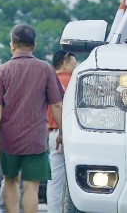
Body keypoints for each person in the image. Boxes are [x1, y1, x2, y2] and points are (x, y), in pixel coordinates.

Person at [0, 24, 64, 213]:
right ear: (34, 45)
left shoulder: (2, 71)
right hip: (36, 138)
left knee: (10, 181)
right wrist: (62, 132)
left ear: (12, 45)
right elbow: (56, 105)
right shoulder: (45, 69)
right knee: (32, 185)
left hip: (9, 139)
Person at [46, 50, 77, 213]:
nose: (76, 65)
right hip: (73, 135)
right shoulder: (75, 81)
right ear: (64, 62)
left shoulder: (48, 81)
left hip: (53, 134)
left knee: (55, 182)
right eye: (73, 62)